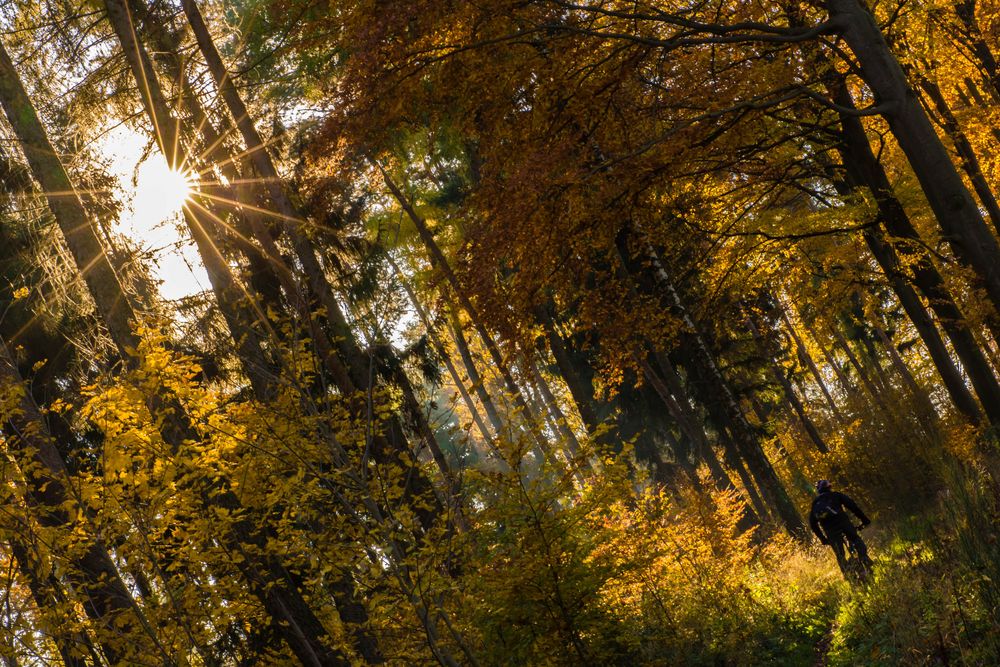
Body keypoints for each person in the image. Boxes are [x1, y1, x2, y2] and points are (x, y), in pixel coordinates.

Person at [809, 479, 873, 576]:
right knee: (855, 539)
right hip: (845, 525)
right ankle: (864, 558)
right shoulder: (836, 495)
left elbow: (813, 523)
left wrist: (822, 538)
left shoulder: (816, 503)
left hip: (831, 533)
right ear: (829, 487)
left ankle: (848, 575)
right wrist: (864, 520)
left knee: (840, 554)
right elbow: (853, 506)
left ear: (819, 490)